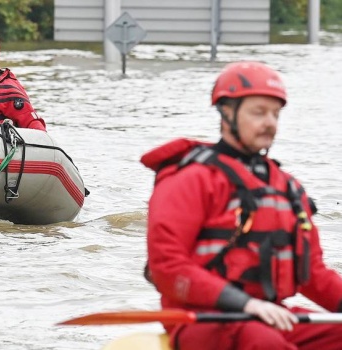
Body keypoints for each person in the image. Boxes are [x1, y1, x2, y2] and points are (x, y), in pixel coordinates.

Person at [141, 61, 342, 350]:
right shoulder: (189, 179)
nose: (270, 122)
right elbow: (167, 267)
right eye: (259, 112)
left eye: (275, 113)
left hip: (268, 315)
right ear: (226, 113)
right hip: (202, 321)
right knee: (263, 341)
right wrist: (245, 304)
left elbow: (313, 274)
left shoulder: (287, 187)